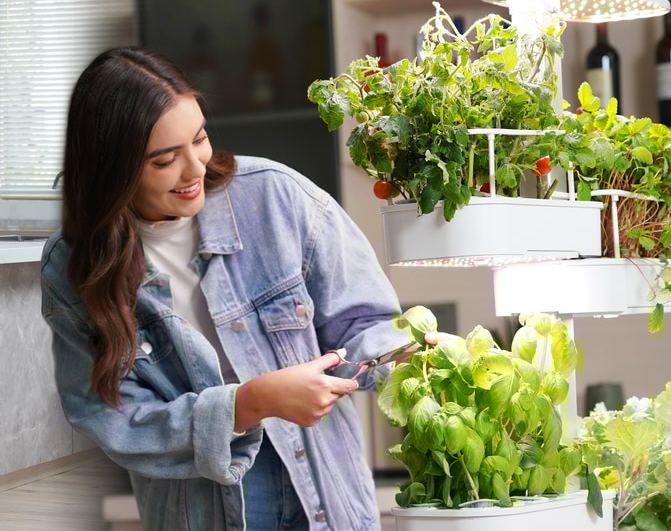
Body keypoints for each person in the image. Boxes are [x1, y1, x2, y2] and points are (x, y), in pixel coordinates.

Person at [40, 47, 423, 531]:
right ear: (111, 169)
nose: (195, 168)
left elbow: (367, 323)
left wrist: (413, 355)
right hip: (201, 504)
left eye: (199, 138)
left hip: (324, 486)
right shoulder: (74, 265)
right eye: (164, 160)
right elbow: (111, 419)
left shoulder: (275, 195)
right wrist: (251, 403)